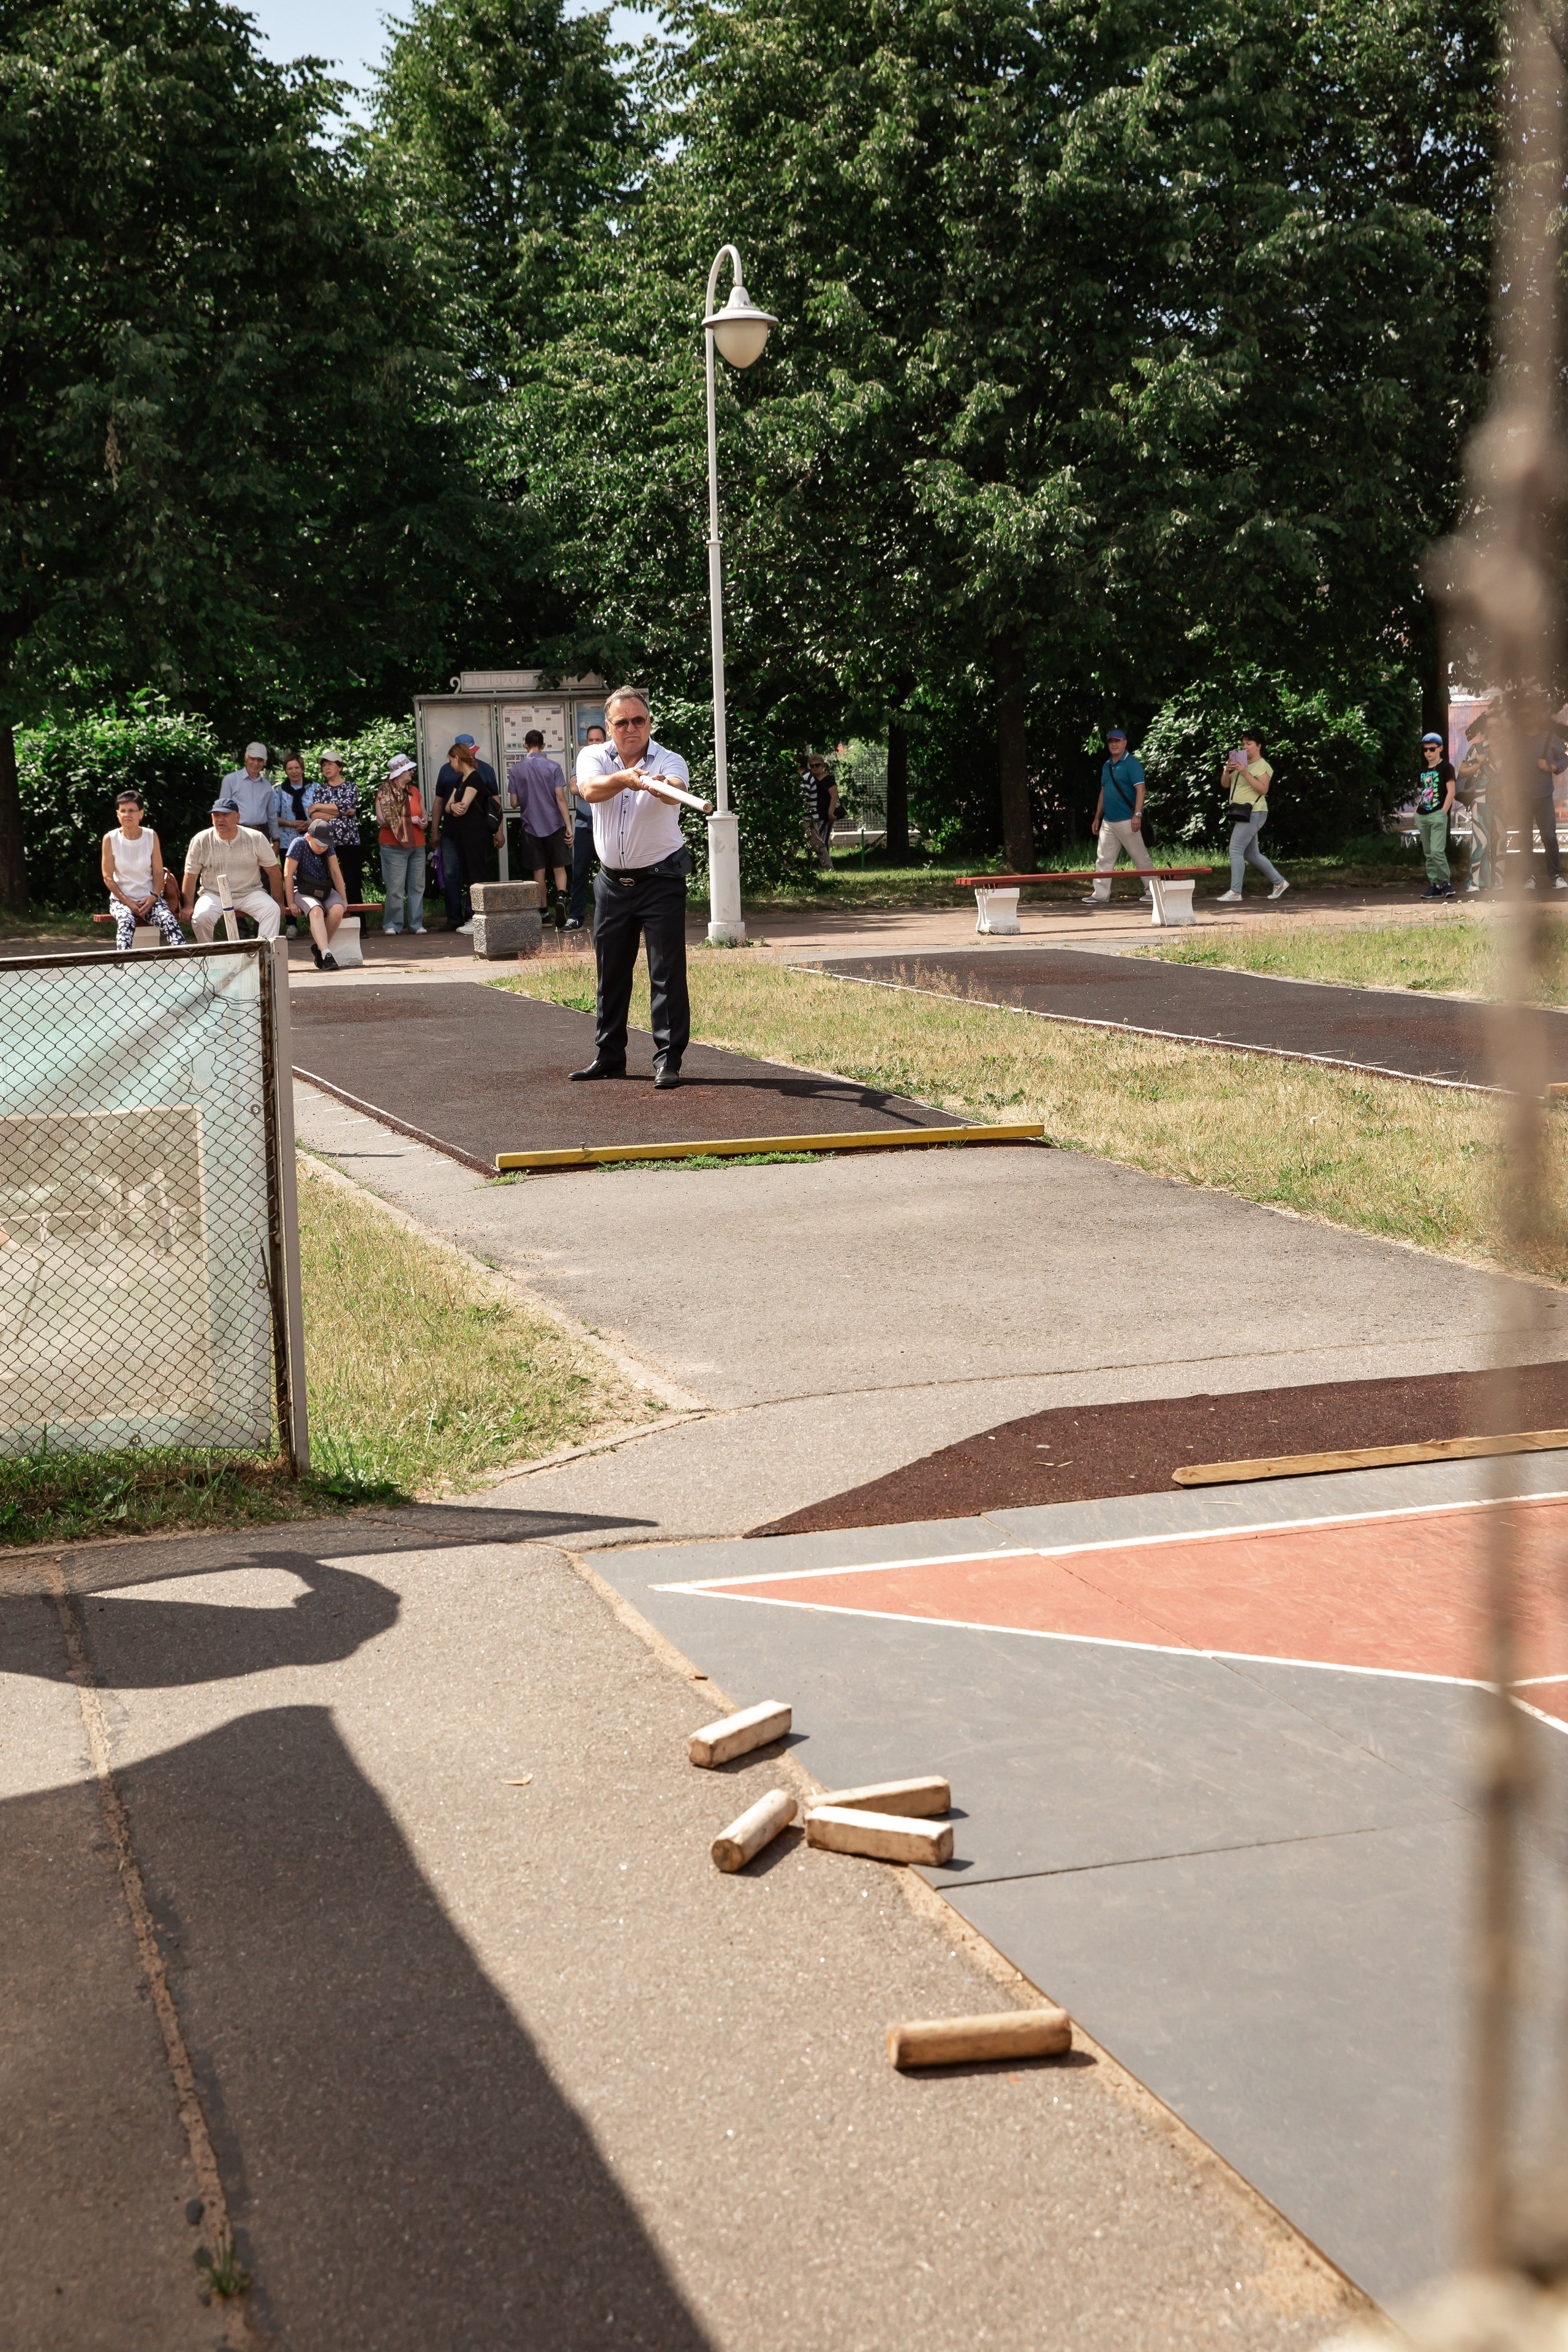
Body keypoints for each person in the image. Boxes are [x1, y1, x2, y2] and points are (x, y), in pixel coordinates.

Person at [570, 686, 692, 1089]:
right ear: (609, 727)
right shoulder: (593, 757)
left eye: (638, 720)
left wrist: (659, 784)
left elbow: (677, 788)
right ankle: (609, 1056)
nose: (631, 728)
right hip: (611, 883)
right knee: (611, 973)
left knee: (666, 972)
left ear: (649, 723)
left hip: (661, 879)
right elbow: (589, 790)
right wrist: (627, 779)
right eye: (621, 722)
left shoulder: (669, 758)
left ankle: (668, 1060)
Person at [182, 796, 284, 940]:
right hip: (214, 894)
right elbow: (190, 875)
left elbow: (274, 872)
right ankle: (208, 956)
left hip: (250, 892)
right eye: (217, 815)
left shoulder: (256, 838)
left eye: (225, 815)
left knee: (272, 910)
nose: (220, 819)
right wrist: (188, 906)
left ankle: (265, 955)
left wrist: (279, 902)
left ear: (238, 817)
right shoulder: (201, 840)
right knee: (201, 917)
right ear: (212, 818)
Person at [432, 732, 498, 930]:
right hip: (457, 835)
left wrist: (454, 808)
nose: (450, 764)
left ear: (458, 758)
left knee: (476, 875)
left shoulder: (476, 777)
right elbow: (448, 806)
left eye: (452, 759)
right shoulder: (459, 780)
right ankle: (457, 918)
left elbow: (462, 808)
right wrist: (452, 808)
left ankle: (477, 918)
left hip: (474, 835)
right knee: (459, 874)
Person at [102, 791, 183, 949]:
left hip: (149, 898)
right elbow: (108, 877)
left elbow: (159, 872)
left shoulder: (150, 836)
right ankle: (122, 968)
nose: (127, 815)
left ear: (141, 813)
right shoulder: (110, 839)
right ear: (117, 814)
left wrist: (153, 897)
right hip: (122, 900)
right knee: (126, 921)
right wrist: (128, 902)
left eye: (131, 811)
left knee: (168, 920)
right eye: (123, 811)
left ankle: (186, 965)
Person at [1215, 728, 1289, 903]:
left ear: (1258, 746)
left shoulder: (1262, 766)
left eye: (1249, 744)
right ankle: (1279, 882)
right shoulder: (1239, 763)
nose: (1245, 747)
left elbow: (1263, 789)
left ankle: (1235, 892)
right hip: (1242, 813)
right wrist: (1228, 770)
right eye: (1243, 744)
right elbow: (1225, 784)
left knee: (1235, 850)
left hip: (1255, 811)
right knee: (1252, 854)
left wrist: (1245, 773)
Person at [508, 729, 571, 927]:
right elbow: (560, 798)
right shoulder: (553, 767)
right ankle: (561, 898)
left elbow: (513, 802)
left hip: (531, 827)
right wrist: (568, 826)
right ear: (543, 746)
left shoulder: (516, 770)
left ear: (525, 745)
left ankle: (543, 913)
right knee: (559, 867)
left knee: (539, 872)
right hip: (554, 824)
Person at [1085, 726, 1155, 905]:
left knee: (1140, 856)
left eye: (1117, 741)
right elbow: (1103, 792)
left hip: (1128, 820)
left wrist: (1137, 815)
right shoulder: (1107, 765)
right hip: (1108, 821)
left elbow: (1141, 790)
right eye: (1111, 742)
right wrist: (1097, 818)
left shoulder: (1132, 764)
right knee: (1103, 858)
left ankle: (1153, 891)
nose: (1114, 744)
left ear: (1125, 743)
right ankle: (1100, 894)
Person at [284, 804, 349, 969]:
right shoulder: (298, 844)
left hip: (324, 888)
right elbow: (288, 874)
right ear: (309, 837)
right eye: (319, 844)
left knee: (338, 909)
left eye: (325, 844)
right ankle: (326, 954)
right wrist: (291, 902)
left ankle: (320, 948)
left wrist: (344, 899)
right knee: (316, 910)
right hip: (303, 890)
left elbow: (336, 872)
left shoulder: (328, 847)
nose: (322, 848)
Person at [376, 753, 427, 936]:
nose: (412, 772)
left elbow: (424, 811)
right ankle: (392, 924)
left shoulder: (414, 790)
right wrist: (410, 820)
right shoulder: (384, 791)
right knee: (395, 887)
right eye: (409, 770)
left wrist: (424, 820)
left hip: (418, 843)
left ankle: (416, 924)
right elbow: (382, 819)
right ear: (399, 772)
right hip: (393, 845)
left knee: (418, 886)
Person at [565, 723, 605, 930]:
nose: (594, 744)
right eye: (590, 740)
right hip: (584, 826)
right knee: (579, 873)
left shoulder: (611, 761)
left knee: (613, 872)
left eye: (598, 740)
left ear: (605, 740)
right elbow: (572, 787)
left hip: (607, 827)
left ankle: (613, 916)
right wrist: (596, 786)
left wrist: (586, 786)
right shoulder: (582, 760)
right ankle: (576, 917)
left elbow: (578, 785)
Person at [1522, 714, 1568, 889]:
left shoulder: (1549, 737)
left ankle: (1556, 876)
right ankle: (1529, 877)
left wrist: (1551, 767)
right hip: (1521, 797)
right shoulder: (1517, 740)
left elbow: (1565, 759)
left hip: (1544, 794)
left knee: (1549, 836)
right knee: (1525, 838)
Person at [313, 751, 364, 907]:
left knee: (353, 881)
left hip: (350, 841)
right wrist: (341, 812)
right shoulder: (320, 790)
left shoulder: (351, 787)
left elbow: (348, 807)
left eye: (330, 764)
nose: (326, 768)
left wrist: (319, 807)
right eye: (324, 765)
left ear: (340, 767)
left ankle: (360, 925)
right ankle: (334, 921)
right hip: (327, 842)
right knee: (330, 881)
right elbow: (315, 816)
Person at [1412, 731, 1458, 900]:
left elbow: (1451, 791)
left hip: (1438, 814)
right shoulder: (1423, 770)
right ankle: (1435, 885)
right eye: (1425, 750)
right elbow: (1421, 792)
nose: (1428, 753)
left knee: (1437, 851)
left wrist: (1443, 812)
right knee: (1429, 852)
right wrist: (1417, 812)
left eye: (1432, 749)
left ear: (1441, 748)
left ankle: (1445, 883)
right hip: (1423, 814)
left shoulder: (1446, 767)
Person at [1457, 706, 1497, 892]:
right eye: (1490, 727)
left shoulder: (1510, 751)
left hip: (1502, 802)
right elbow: (1462, 771)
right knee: (1481, 840)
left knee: (1499, 840)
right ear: (1486, 730)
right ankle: (1475, 881)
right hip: (1481, 800)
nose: (1494, 730)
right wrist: (1479, 764)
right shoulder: (1477, 749)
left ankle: (1495, 881)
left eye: (1498, 726)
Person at [273, 753, 313, 935]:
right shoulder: (279, 791)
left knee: (313, 878)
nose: (294, 771)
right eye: (290, 769)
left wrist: (309, 823)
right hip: (287, 842)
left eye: (297, 768)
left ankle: (315, 918)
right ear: (286, 771)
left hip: (312, 841)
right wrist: (291, 824)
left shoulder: (315, 788)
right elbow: (273, 816)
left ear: (303, 769)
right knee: (289, 880)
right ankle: (291, 924)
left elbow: (322, 813)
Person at [219, 742, 278, 840]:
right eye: (253, 759)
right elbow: (223, 811)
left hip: (262, 834)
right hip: (237, 833)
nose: (256, 763)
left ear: (265, 762)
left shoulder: (267, 785)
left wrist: (276, 839)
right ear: (246, 757)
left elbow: (272, 814)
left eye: (260, 760)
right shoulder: (230, 780)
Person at [804, 753, 839, 870]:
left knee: (822, 841)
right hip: (814, 814)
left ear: (822, 765)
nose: (814, 768)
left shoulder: (828, 779)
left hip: (825, 814)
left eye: (817, 765)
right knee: (817, 841)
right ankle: (823, 865)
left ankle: (825, 866)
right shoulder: (810, 779)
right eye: (812, 766)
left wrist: (831, 812)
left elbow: (834, 796)